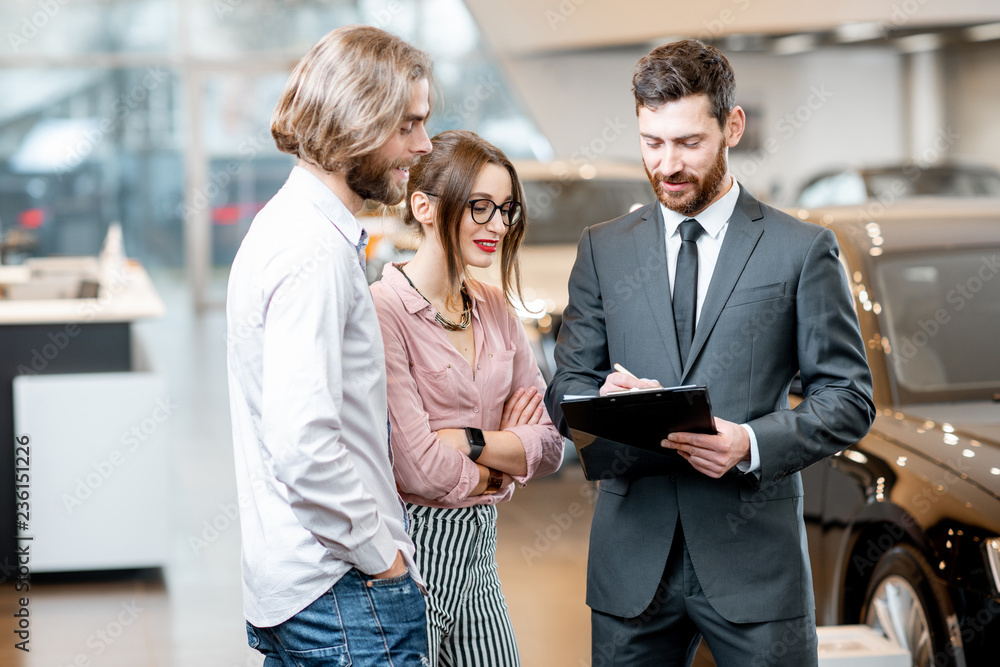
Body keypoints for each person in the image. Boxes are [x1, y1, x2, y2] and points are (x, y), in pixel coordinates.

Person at [544, 40, 875, 666]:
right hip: (631, 563)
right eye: (652, 142)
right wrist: (597, 403)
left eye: (689, 143)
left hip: (756, 566)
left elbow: (849, 397)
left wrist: (749, 442)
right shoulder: (603, 250)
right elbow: (565, 388)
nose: (667, 164)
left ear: (733, 127)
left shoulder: (800, 250)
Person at [226, 25, 434, 666]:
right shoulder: (311, 249)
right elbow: (305, 445)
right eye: (407, 126)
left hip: (306, 589)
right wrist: (384, 557)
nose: (421, 147)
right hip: (344, 591)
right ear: (355, 120)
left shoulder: (290, 227)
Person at [370, 130, 564, 667]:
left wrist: (469, 439)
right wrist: (501, 466)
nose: (498, 226)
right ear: (424, 206)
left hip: (480, 562)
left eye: (506, 210)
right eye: (480, 208)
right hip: (412, 563)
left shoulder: (496, 307)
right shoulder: (384, 311)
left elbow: (550, 447)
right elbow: (419, 470)